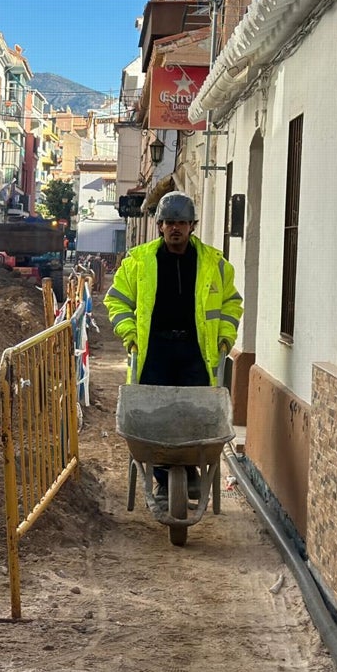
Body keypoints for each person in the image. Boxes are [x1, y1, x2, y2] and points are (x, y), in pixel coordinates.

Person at [104, 190, 242, 500]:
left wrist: (225, 336)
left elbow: (232, 302)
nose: (175, 228)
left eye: (181, 222)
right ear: (159, 226)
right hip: (154, 352)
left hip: (197, 352)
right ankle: (164, 478)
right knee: (155, 417)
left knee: (193, 414)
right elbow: (117, 300)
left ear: (192, 225)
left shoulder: (213, 263)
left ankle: (189, 469)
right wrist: (129, 333)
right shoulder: (139, 262)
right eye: (169, 222)